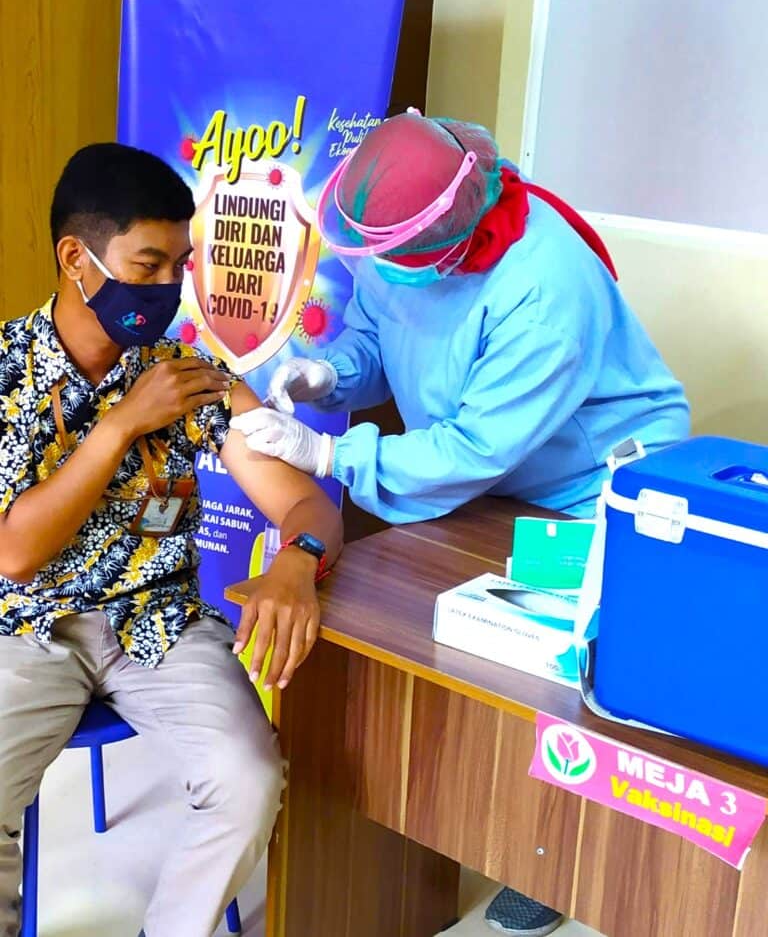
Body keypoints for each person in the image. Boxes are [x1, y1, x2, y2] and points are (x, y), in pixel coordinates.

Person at [232, 110, 689, 937]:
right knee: (440, 649)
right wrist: (327, 373)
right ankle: (454, 826)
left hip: (593, 483)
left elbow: (476, 445)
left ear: (443, 241)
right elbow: (377, 330)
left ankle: (557, 861)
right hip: (491, 470)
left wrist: (332, 457)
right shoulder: (395, 239)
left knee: (562, 678)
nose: (379, 269)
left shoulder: (545, 283)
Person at [0, 143, 342, 937]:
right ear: (75, 258)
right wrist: (122, 423)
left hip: (157, 624)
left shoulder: (193, 376)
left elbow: (305, 503)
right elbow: (15, 552)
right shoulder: (8, 373)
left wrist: (299, 559)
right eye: (146, 264)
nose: (165, 291)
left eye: (178, 268)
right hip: (24, 627)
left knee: (249, 777)